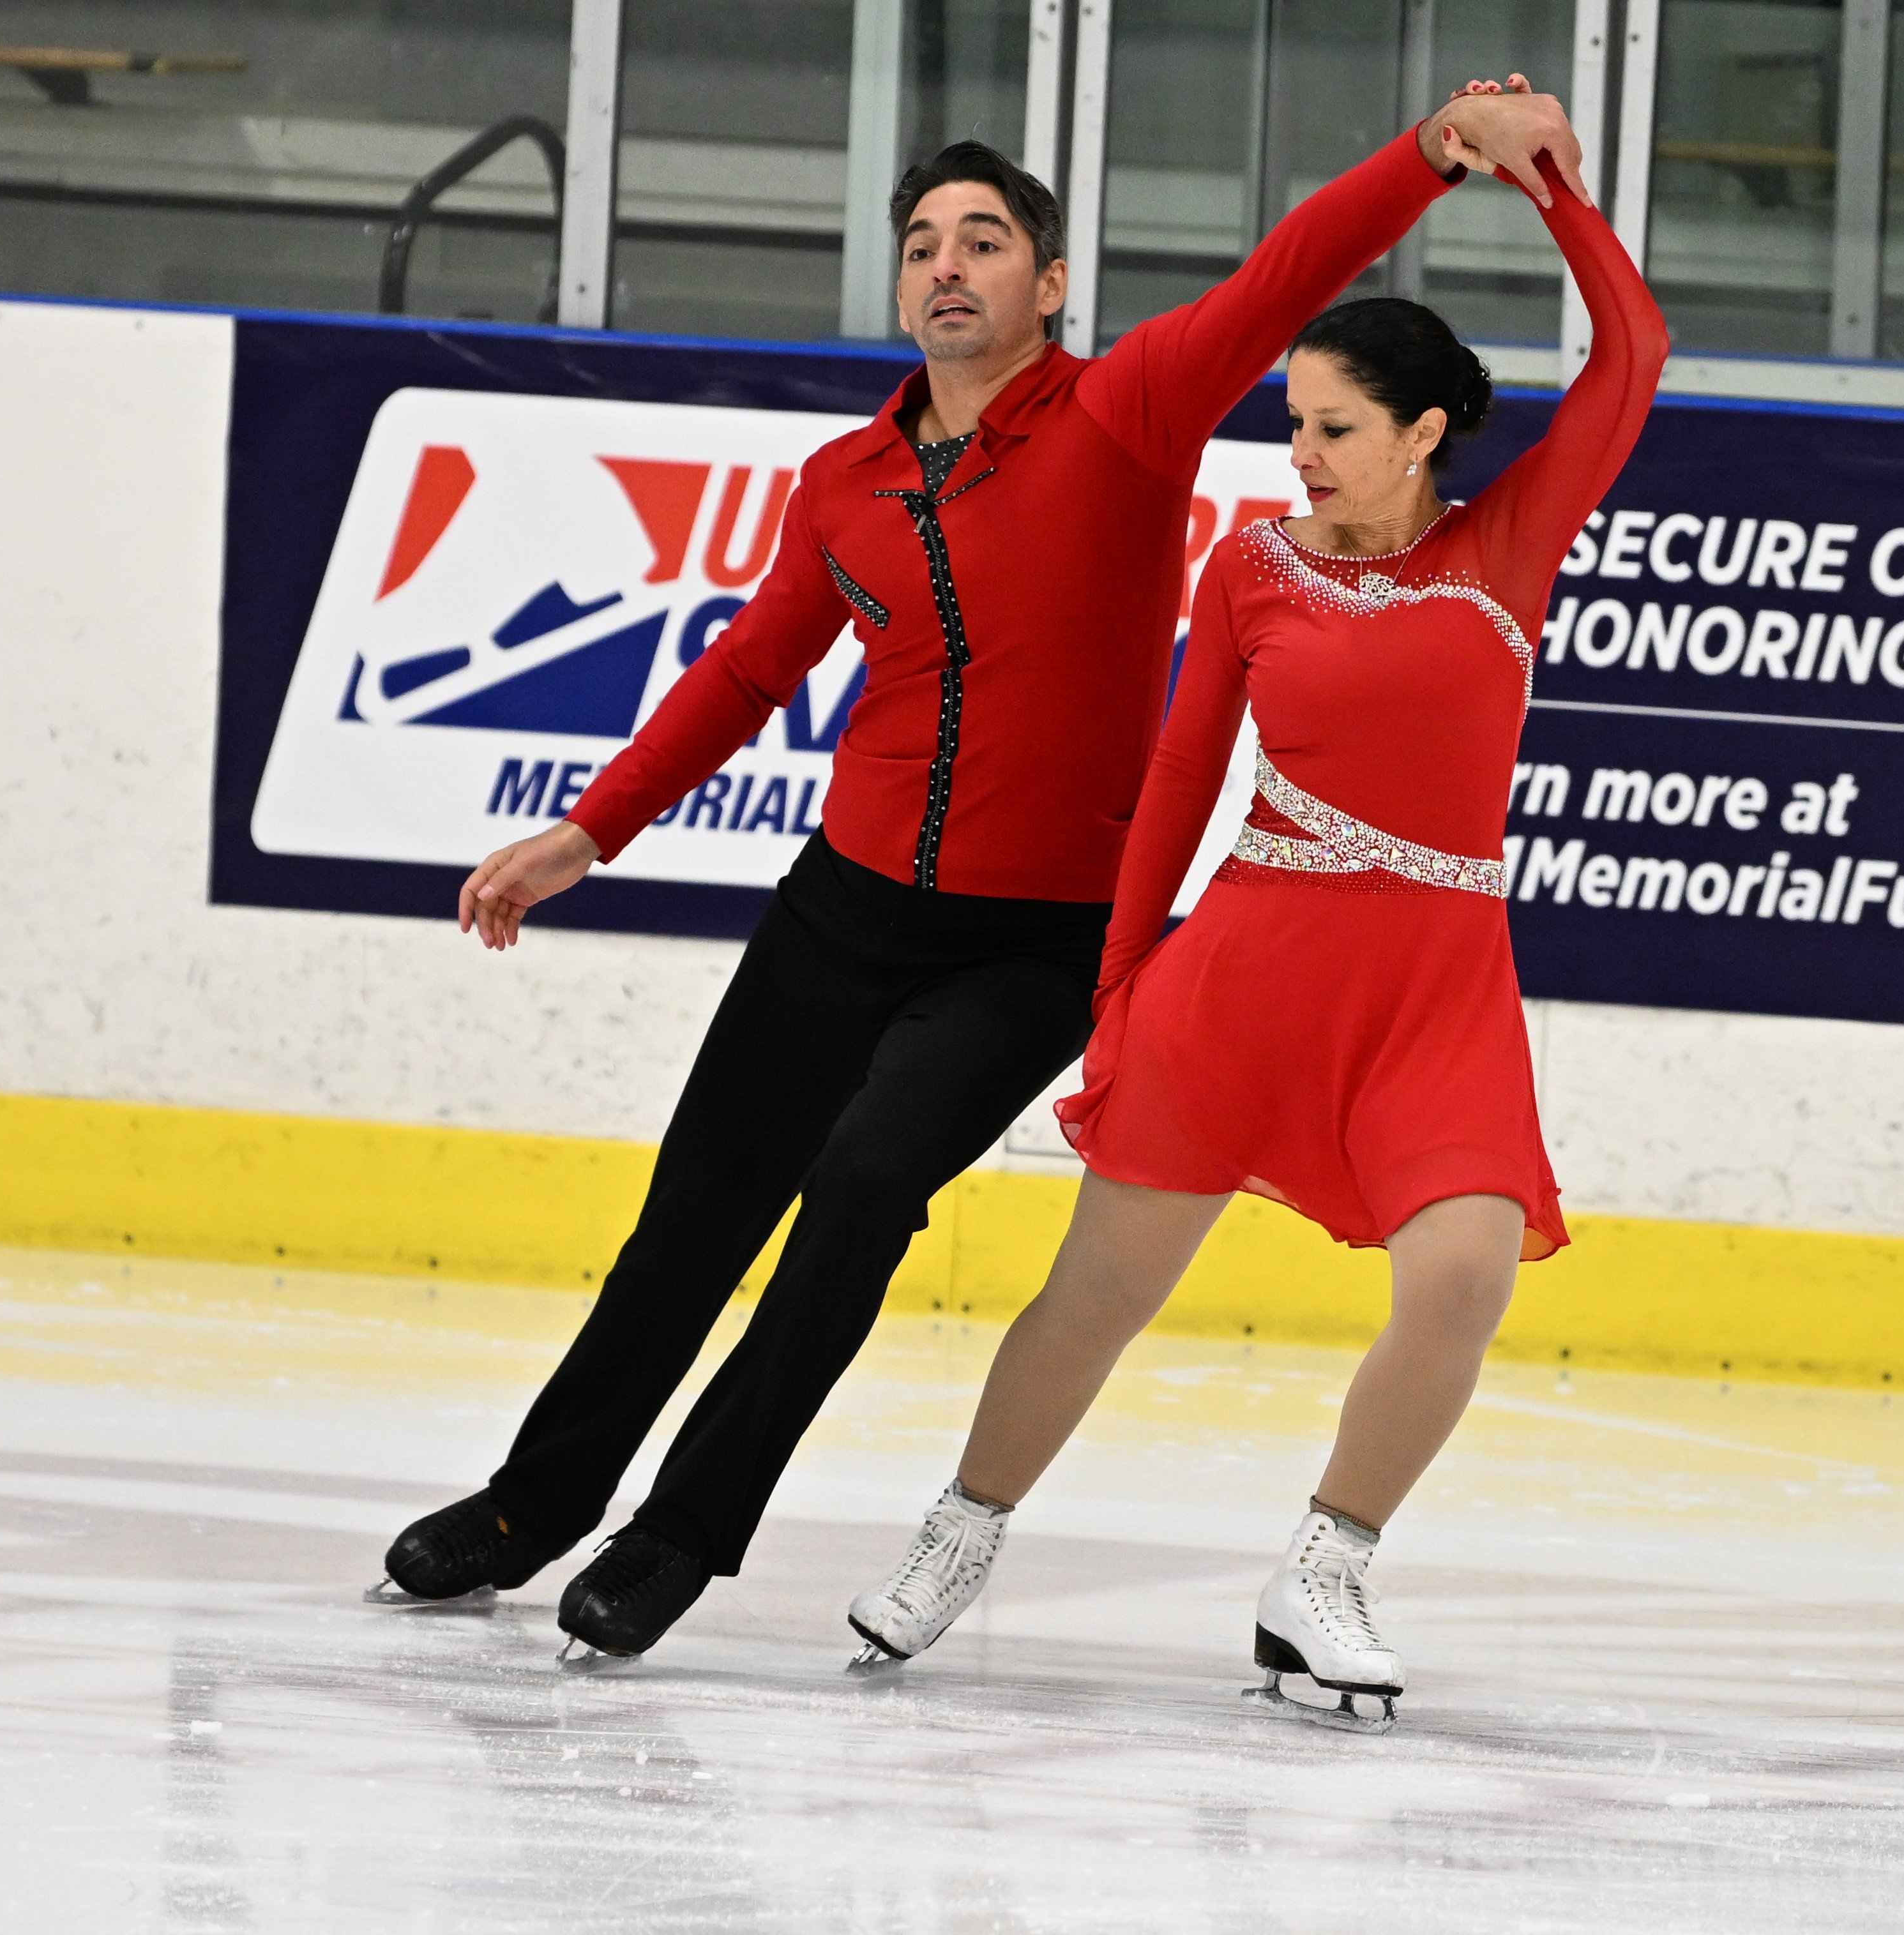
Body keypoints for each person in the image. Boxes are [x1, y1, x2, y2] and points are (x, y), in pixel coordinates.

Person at [370, 91, 1594, 1665]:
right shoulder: (850, 482)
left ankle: (684, 1528)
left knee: (865, 1187)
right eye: (923, 245)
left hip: (1030, 939)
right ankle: (534, 1500)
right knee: (692, 1216)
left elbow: (1287, 277)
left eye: (987, 241)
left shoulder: (1129, 413)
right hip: (845, 899)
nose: (948, 267)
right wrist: (590, 829)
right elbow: (746, 674)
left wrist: (1430, 153)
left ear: (1052, 281)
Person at [841, 132, 1667, 1731]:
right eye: (1292, 425)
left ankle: (1329, 1568)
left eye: (1338, 430)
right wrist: (1122, 981)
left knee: (1465, 1272)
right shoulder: (1255, 567)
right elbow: (1178, 775)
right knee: (1097, 1291)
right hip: (1249, 964)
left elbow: (1634, 352)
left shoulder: (1511, 545)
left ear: (1426, 433)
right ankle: (962, 1531)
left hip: (1434, 982)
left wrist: (1550, 192)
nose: (1302, 455)